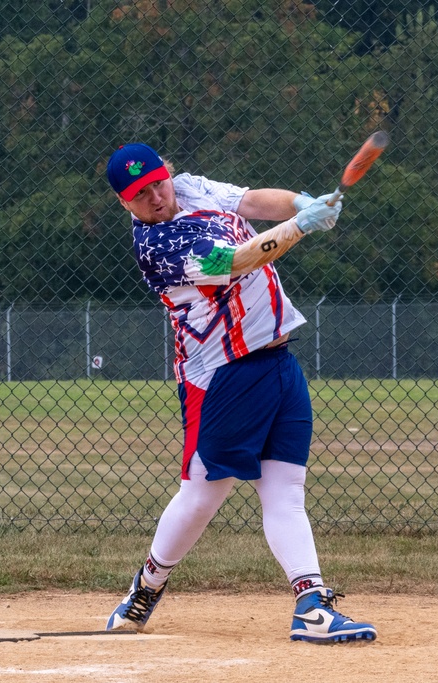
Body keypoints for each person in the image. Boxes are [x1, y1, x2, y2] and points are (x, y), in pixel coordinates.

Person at [103, 142, 376, 644]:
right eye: (141, 194)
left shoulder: (189, 188)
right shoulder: (156, 246)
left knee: (285, 491)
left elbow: (250, 202)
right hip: (223, 376)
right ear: (126, 203)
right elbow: (234, 262)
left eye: (158, 182)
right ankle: (148, 585)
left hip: (275, 358)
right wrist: (300, 226)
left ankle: (312, 604)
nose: (157, 196)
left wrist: (298, 203)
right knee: (203, 495)